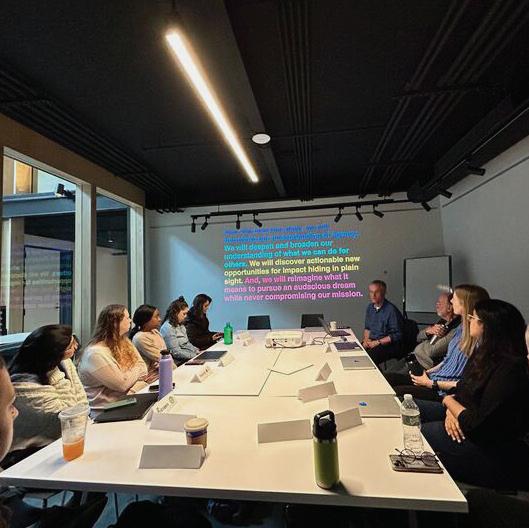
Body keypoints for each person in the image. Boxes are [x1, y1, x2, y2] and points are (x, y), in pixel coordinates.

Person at [421, 299, 529, 489]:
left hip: (487, 447)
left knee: (419, 435)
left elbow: (478, 425)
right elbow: (462, 391)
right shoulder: (483, 355)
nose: (469, 320)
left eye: (473, 318)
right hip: (462, 417)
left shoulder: (509, 370)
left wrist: (448, 403)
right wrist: (451, 410)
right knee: (407, 410)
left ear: (487, 326)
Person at [385, 284, 489, 401]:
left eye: (454, 298)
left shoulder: (475, 337)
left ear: (465, 303)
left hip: (441, 389)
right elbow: (447, 360)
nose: (451, 301)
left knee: (395, 393)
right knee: (387, 379)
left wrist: (430, 382)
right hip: (432, 376)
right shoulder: (460, 328)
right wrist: (427, 374)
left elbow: (433, 351)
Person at [7, 326, 87, 459]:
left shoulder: (64, 363)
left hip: (64, 441)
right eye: (70, 346)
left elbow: (81, 400)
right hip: (30, 454)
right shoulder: (24, 387)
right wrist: (54, 372)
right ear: (52, 357)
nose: (76, 346)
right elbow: (69, 416)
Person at [78, 304, 150, 409]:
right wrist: (135, 379)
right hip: (107, 410)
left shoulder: (124, 341)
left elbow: (143, 368)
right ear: (116, 323)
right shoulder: (95, 353)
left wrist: (131, 383)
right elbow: (122, 385)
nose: (130, 321)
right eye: (127, 318)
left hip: (128, 401)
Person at [412, 292, 460, 369]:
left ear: (450, 307)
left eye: (440, 303)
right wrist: (428, 331)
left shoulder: (457, 327)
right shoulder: (442, 321)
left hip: (434, 367)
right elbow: (418, 338)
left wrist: (423, 344)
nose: (437, 305)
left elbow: (432, 351)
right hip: (419, 360)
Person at [362, 280, 404, 365]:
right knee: (358, 353)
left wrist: (378, 342)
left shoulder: (391, 310)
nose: (373, 295)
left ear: (383, 293)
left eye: (376, 292)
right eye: (371, 292)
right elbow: (367, 328)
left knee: (369, 359)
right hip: (373, 341)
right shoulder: (370, 308)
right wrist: (366, 341)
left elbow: (397, 335)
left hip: (387, 344)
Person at [160, 297, 199, 365]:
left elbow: (187, 343)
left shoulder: (180, 325)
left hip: (189, 358)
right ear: (175, 312)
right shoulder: (167, 328)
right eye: (184, 314)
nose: (185, 316)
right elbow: (176, 352)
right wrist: (194, 356)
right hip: (179, 363)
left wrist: (197, 351)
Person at [129, 304, 165, 372]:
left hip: (162, 369)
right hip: (150, 374)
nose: (160, 319)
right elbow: (162, 357)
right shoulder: (140, 338)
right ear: (146, 320)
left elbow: (164, 355)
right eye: (156, 316)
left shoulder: (155, 332)